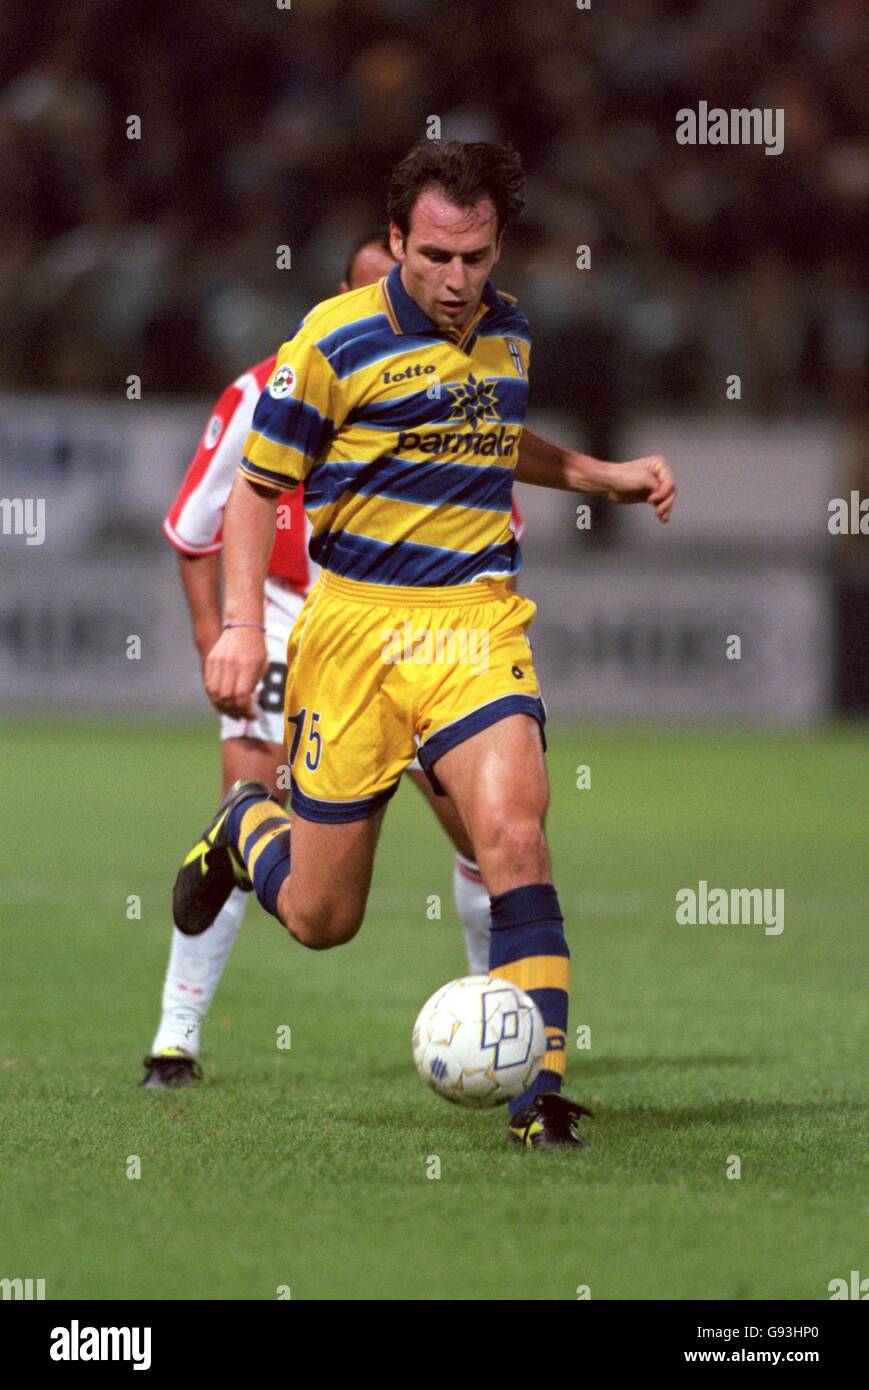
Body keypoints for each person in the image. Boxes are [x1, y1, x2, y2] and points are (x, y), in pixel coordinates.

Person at [172, 141, 676, 1148]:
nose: (456, 281)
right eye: (436, 256)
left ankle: (541, 1094)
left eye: (476, 258)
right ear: (396, 238)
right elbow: (256, 489)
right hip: (352, 631)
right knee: (322, 918)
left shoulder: (509, 331)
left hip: (472, 623)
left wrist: (599, 473)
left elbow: (492, 434)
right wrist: (236, 624)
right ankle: (242, 827)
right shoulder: (330, 342)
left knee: (513, 836)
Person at [142, 229, 524, 1088]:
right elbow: (193, 528)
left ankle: (501, 1014)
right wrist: (222, 634)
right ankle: (175, 1039)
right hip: (289, 619)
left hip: (420, 627)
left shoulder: (453, 380)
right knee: (253, 792)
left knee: (478, 824)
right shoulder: (271, 386)